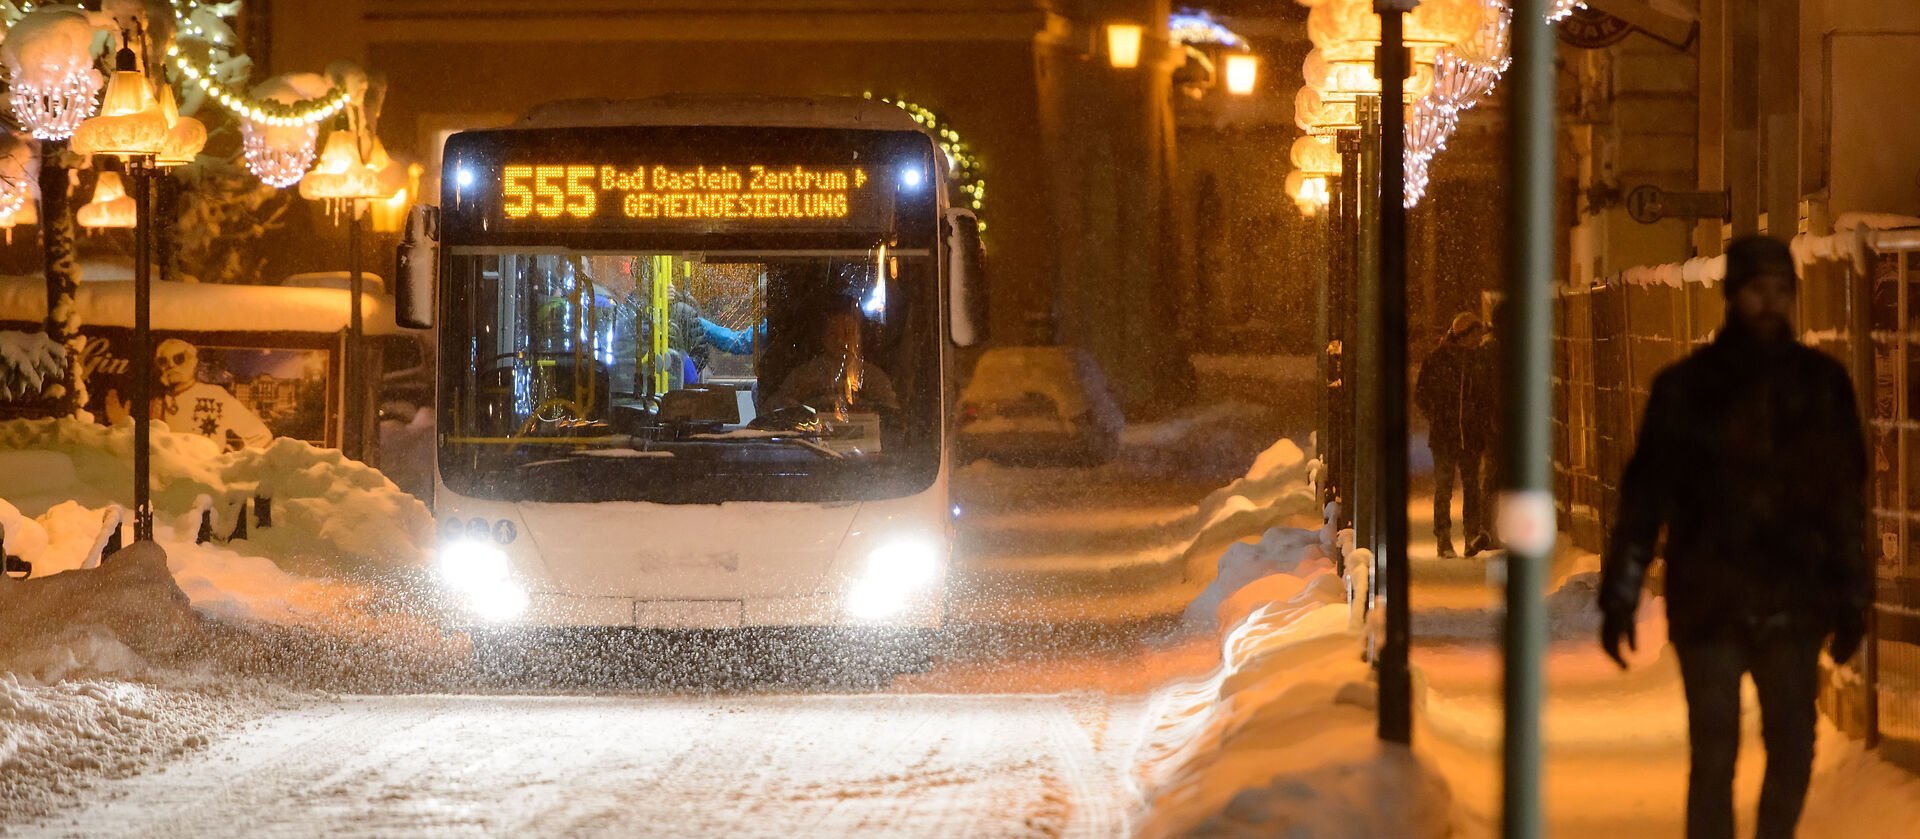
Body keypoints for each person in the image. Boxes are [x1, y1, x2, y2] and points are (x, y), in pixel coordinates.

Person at [1599, 235, 1870, 839]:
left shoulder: (1821, 387)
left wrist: (1852, 593)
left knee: (1794, 750)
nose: (1771, 304)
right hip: (1712, 597)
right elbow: (1646, 499)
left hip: (1790, 596)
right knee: (1716, 752)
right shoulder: (1688, 390)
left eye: (1781, 290)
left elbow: (1843, 502)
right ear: (1732, 296)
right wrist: (1621, 590)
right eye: (1757, 290)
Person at [1414, 312, 1487, 558]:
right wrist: (1438, 415)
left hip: (1470, 435)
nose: (1478, 341)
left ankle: (1471, 535)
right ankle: (1443, 538)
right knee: (1444, 487)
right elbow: (1421, 394)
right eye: (1474, 336)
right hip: (1445, 436)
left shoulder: (1477, 360)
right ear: (1462, 336)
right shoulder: (1438, 360)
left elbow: (1484, 396)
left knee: (1471, 486)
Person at [771, 305, 897, 418]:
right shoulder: (803, 375)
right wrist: (802, 394)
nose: (840, 341)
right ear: (822, 337)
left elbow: (891, 415)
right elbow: (774, 408)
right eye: (833, 334)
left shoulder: (874, 377)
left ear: (859, 337)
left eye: (848, 333)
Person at [150, 338, 273, 450]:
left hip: (207, 471)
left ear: (192, 361)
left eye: (179, 358)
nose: (171, 365)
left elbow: (260, 435)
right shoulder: (155, 402)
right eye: (163, 361)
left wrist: (233, 464)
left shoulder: (215, 395)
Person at [1462, 300, 1506, 556]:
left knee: (1491, 478)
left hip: (1490, 424)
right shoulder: (1495, 352)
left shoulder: (1488, 352)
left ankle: (1487, 529)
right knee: (1494, 477)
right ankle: (1488, 530)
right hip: (1496, 425)